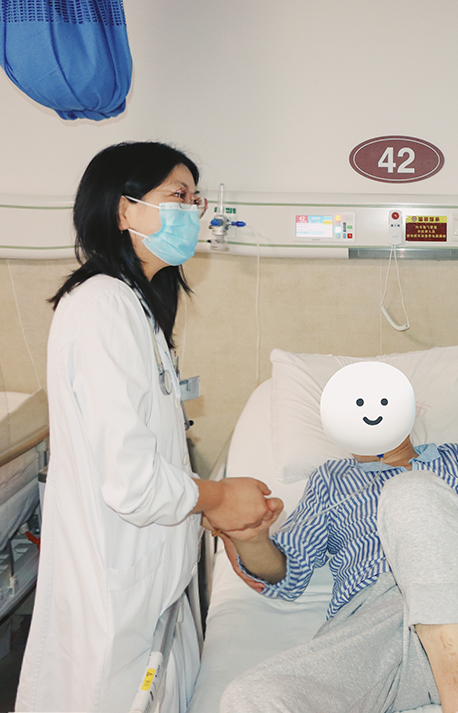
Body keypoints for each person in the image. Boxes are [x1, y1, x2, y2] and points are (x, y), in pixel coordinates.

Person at [17, 142, 282, 713]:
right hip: (115, 589)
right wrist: (218, 498)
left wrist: (208, 507)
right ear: (124, 209)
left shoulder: (137, 305)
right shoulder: (102, 307)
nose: (193, 213)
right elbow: (132, 480)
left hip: (150, 582)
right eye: (178, 196)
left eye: (195, 200)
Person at [220, 362, 458, 713]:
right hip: (376, 631)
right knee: (251, 698)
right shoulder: (330, 480)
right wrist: (253, 540)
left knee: (412, 492)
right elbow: (287, 577)